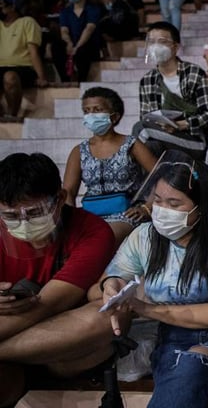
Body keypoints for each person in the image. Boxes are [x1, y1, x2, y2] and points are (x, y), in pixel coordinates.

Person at [98, 152, 208, 407]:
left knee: (190, 365)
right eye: (159, 201)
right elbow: (111, 276)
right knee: (182, 369)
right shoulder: (145, 236)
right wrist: (112, 286)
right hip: (173, 336)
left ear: (201, 206)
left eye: (175, 204)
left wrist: (145, 309)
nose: (163, 211)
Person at [0, 153, 116, 407]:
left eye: (34, 212)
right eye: (10, 216)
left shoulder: (92, 231)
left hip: (62, 347)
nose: (23, 223)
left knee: (105, 318)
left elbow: (48, 304)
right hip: (13, 348)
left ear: (60, 199)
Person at [63, 87, 157, 247]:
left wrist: (146, 208)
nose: (91, 115)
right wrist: (70, 222)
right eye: (86, 111)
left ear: (114, 116)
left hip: (125, 215)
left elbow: (162, 174)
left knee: (102, 239)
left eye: (97, 110)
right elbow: (68, 192)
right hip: (89, 216)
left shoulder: (131, 144)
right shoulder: (79, 150)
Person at [137, 21, 208, 160]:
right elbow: (146, 117)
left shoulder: (194, 73)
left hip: (194, 140)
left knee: (140, 129)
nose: (155, 46)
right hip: (160, 137)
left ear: (175, 47)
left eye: (162, 41)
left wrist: (180, 125)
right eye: (151, 41)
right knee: (149, 147)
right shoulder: (147, 80)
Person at [0, 0, 47, 119]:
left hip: (23, 68)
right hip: (1, 67)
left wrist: (41, 77)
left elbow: (33, 51)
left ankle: (12, 115)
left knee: (10, 77)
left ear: (13, 7)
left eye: (1, 5)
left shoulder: (27, 22)